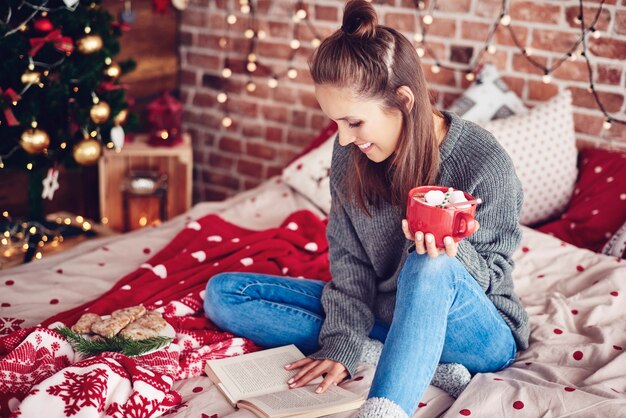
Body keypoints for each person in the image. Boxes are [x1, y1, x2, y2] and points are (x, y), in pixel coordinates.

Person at [203, 0, 529, 416]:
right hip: (384, 313)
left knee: (428, 265)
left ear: (404, 100)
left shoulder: (484, 161)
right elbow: (350, 262)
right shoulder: (350, 158)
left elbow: (492, 276)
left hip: (480, 333)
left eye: (354, 123)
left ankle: (385, 408)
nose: (342, 139)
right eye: (336, 123)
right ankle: (395, 352)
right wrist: (341, 345)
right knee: (225, 294)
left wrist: (450, 249)